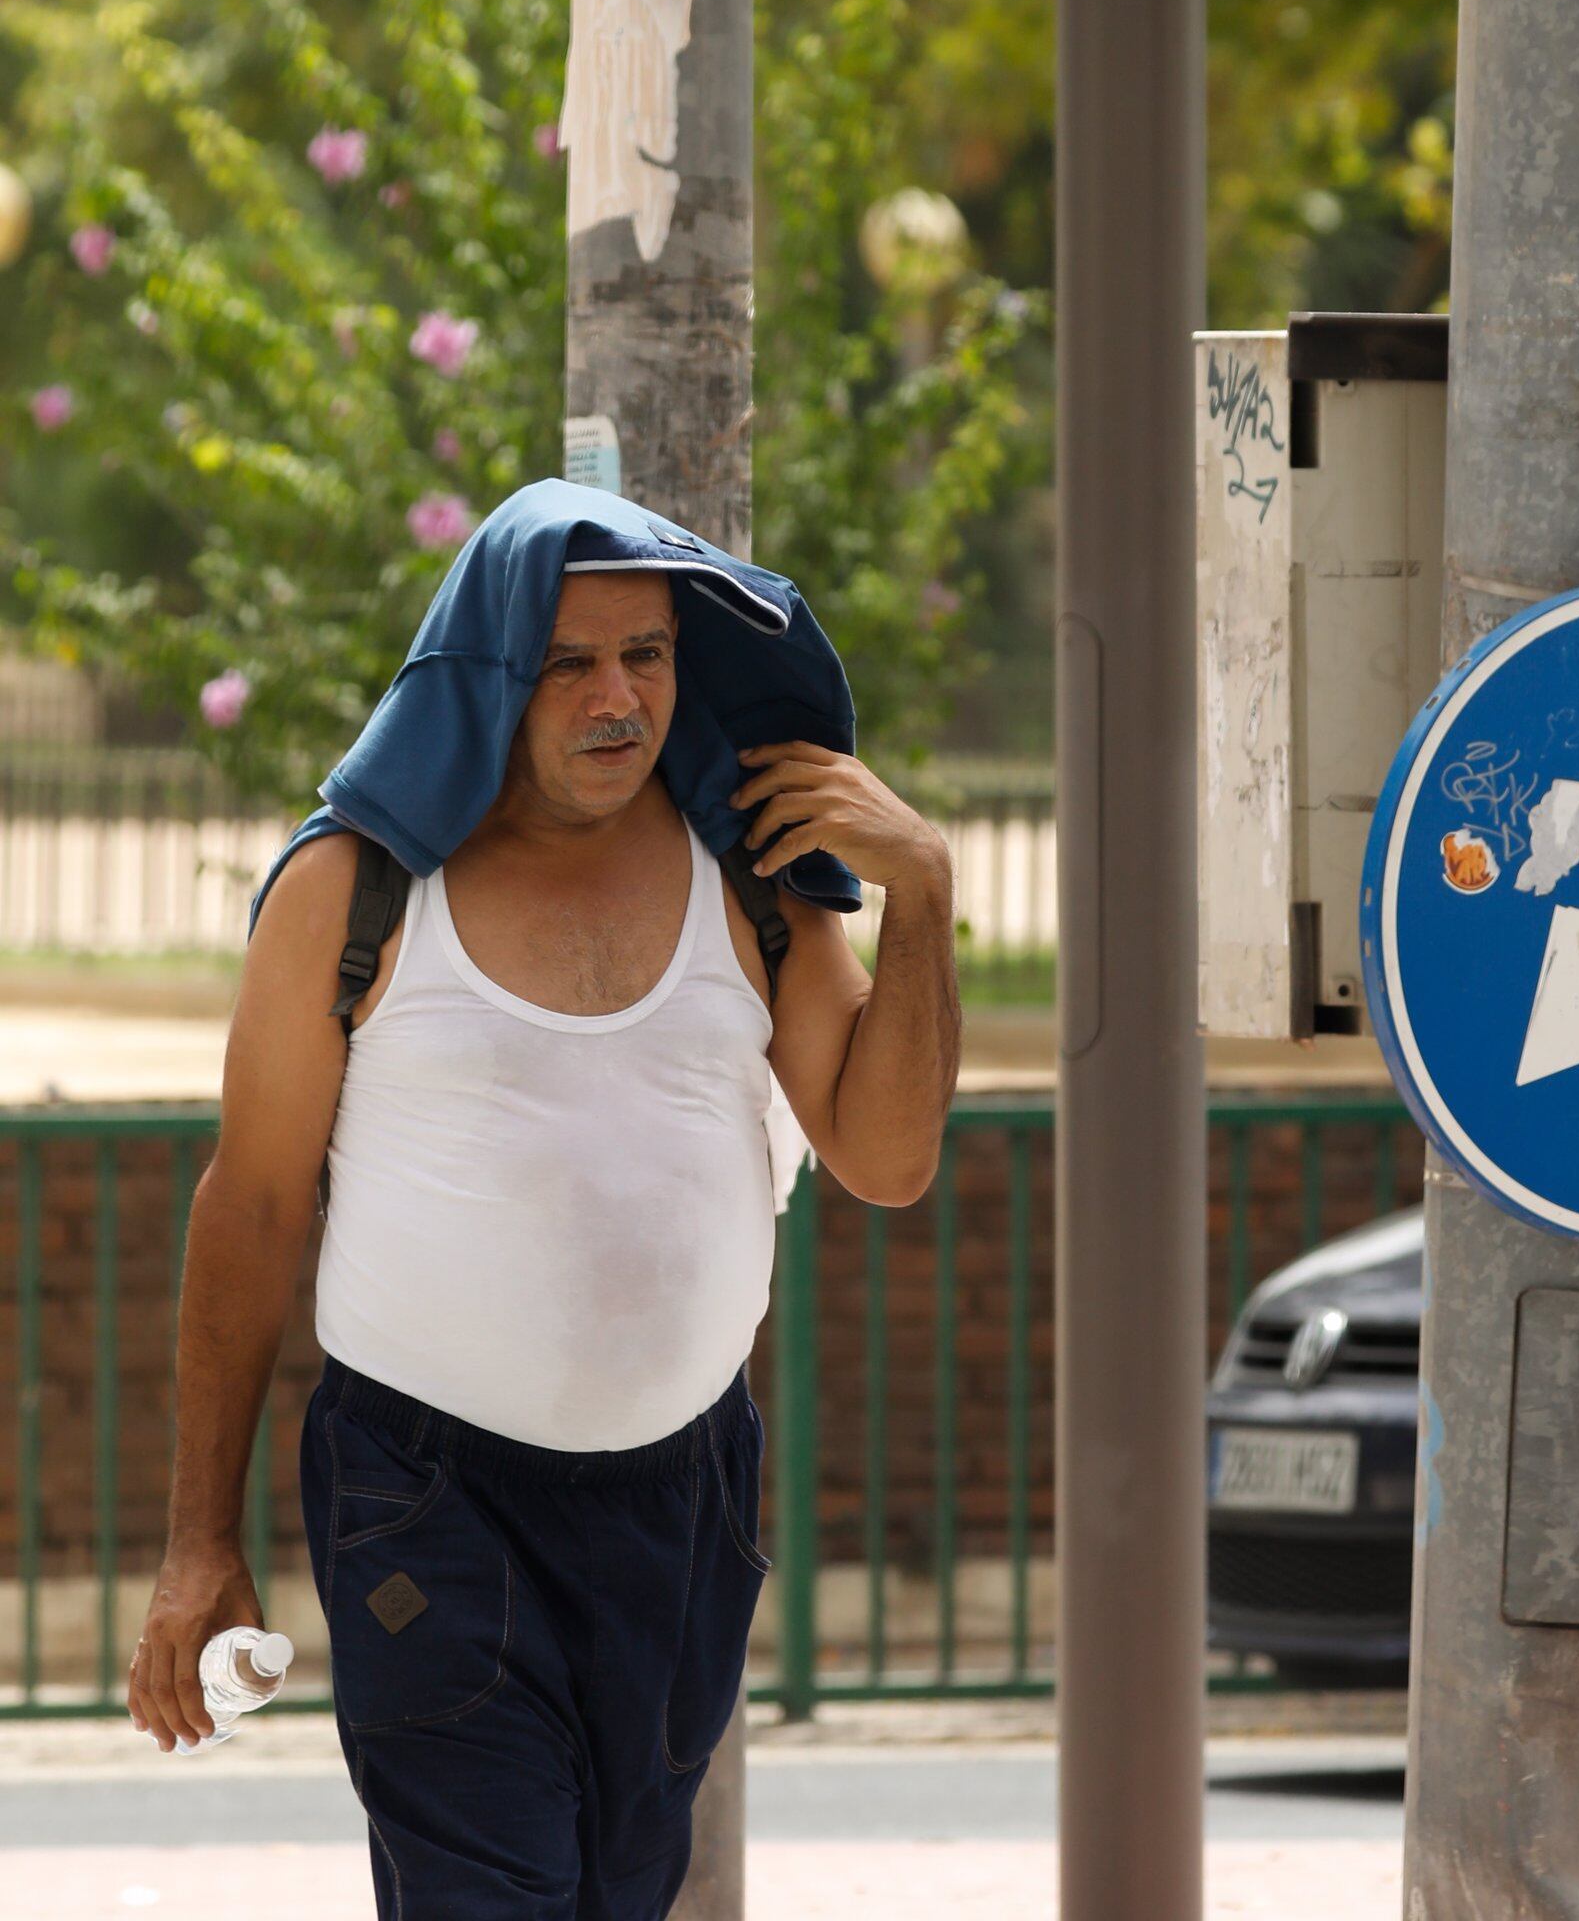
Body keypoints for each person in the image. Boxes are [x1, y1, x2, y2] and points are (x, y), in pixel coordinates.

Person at [126, 482, 959, 1920]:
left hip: (683, 1500)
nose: (617, 697)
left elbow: (887, 1161)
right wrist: (200, 1542)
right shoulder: (353, 891)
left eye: (647, 654)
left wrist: (925, 893)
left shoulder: (756, 878)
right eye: (569, 661)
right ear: (490, 673)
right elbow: (251, 1208)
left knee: (617, 1894)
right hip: (426, 1501)